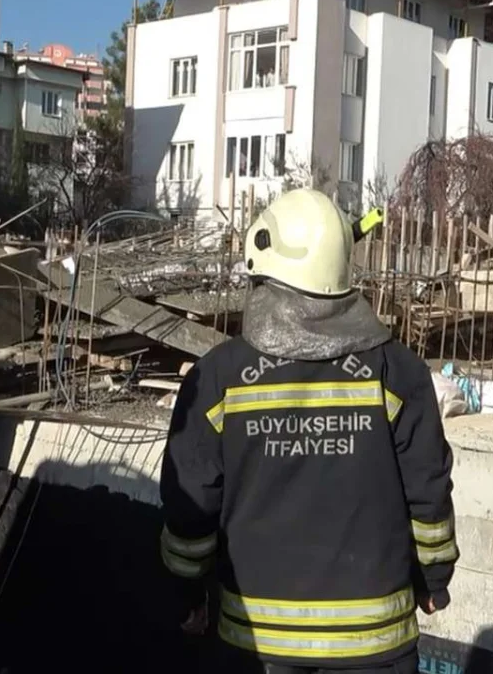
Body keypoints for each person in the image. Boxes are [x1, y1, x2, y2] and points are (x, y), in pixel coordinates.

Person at [159, 189, 458, 673]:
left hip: (254, 646)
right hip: (375, 646)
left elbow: (189, 508)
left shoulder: (218, 379)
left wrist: (186, 593)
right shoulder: (398, 374)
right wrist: (434, 579)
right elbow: (429, 492)